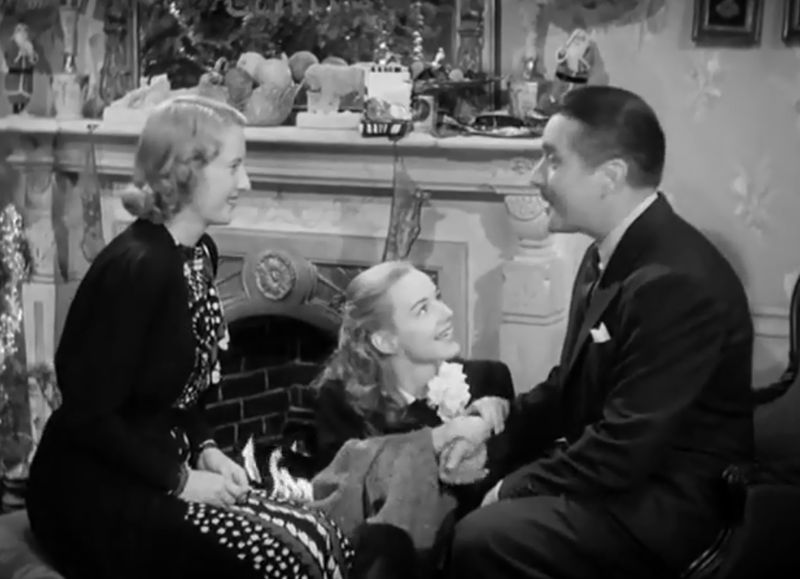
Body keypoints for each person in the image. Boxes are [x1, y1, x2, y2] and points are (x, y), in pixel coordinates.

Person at [26, 95, 353, 579]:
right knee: (284, 558)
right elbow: (87, 414)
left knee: (323, 534)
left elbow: (180, 394)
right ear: (186, 170)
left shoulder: (199, 253)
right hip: (93, 492)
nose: (246, 182)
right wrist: (180, 481)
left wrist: (207, 449)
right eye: (234, 166)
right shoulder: (137, 267)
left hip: (163, 465)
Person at [448, 85, 755, 579]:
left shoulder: (674, 283)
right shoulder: (605, 253)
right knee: (461, 483)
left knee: (482, 537)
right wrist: (494, 427)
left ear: (610, 176)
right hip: (623, 473)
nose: (536, 176)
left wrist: (513, 487)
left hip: (665, 505)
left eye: (553, 160)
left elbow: (625, 445)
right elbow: (571, 386)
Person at [311, 261, 515, 575]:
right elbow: (341, 504)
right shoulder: (341, 401)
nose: (447, 312)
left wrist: (496, 423)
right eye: (423, 309)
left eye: (438, 297)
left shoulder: (490, 381)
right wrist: (439, 438)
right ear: (385, 340)